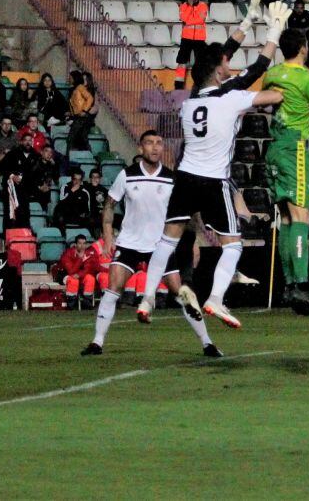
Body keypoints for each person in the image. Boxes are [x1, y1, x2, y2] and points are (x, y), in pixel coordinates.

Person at [136, 2, 291, 328]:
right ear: (220, 71)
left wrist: (248, 22)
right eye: (227, 66)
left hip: (185, 179)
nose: (231, 67)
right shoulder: (230, 97)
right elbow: (262, 77)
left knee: (167, 241)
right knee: (232, 246)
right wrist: (274, 32)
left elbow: (219, 61)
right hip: (214, 182)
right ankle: (216, 299)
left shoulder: (190, 103)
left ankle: (148, 297)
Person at [82, 130, 220, 358]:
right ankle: (97, 342)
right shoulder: (127, 175)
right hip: (129, 243)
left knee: (183, 293)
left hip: (161, 246)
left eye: (159, 143)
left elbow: (189, 213)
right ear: (140, 149)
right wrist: (108, 237)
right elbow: (108, 206)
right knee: (113, 288)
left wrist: (194, 242)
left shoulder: (172, 178)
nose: (155, 147)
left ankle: (207, 343)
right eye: (149, 143)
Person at [259, 26, 309, 316]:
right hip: (295, 148)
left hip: (275, 148)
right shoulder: (306, 78)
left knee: (287, 218)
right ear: (303, 48)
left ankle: (290, 285)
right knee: (302, 215)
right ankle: (301, 284)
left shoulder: (273, 74)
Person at [175, 0, 208, 89]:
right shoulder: (183, 6)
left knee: (200, 62)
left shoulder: (203, 6)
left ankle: (200, 85)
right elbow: (184, 18)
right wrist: (189, 7)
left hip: (199, 39)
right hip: (186, 38)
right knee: (181, 62)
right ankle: (178, 86)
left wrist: (189, 20)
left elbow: (201, 20)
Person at [54, 168, 95, 233]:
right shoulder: (65, 187)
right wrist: (72, 191)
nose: (77, 182)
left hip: (78, 215)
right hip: (66, 214)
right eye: (75, 179)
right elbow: (61, 203)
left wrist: (85, 214)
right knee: (58, 215)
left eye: (79, 180)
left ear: (81, 180)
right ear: (71, 179)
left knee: (91, 220)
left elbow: (88, 209)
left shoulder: (85, 191)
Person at [67, 71, 95, 151]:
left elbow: (90, 98)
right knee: (82, 138)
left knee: (72, 138)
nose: (69, 79)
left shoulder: (80, 87)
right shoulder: (76, 88)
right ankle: (88, 155)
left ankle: (70, 156)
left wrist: (84, 110)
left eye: (71, 78)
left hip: (82, 117)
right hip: (78, 116)